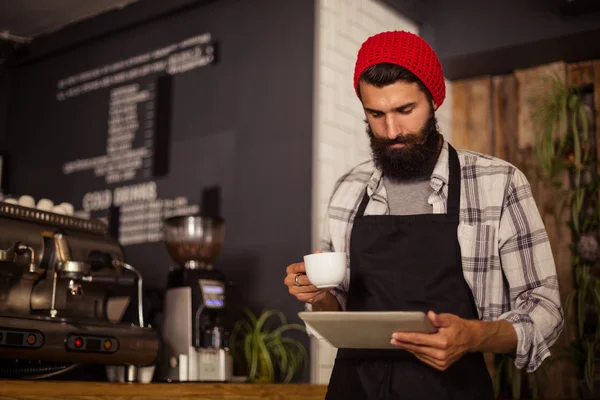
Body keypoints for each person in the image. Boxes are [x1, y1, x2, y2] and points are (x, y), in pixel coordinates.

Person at [284, 30, 564, 399]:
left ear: (434, 100)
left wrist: (473, 335)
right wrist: (318, 296)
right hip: (354, 389)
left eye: (405, 110)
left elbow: (546, 309)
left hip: (452, 389)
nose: (392, 130)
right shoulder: (348, 189)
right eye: (376, 114)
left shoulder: (498, 183)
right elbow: (336, 304)